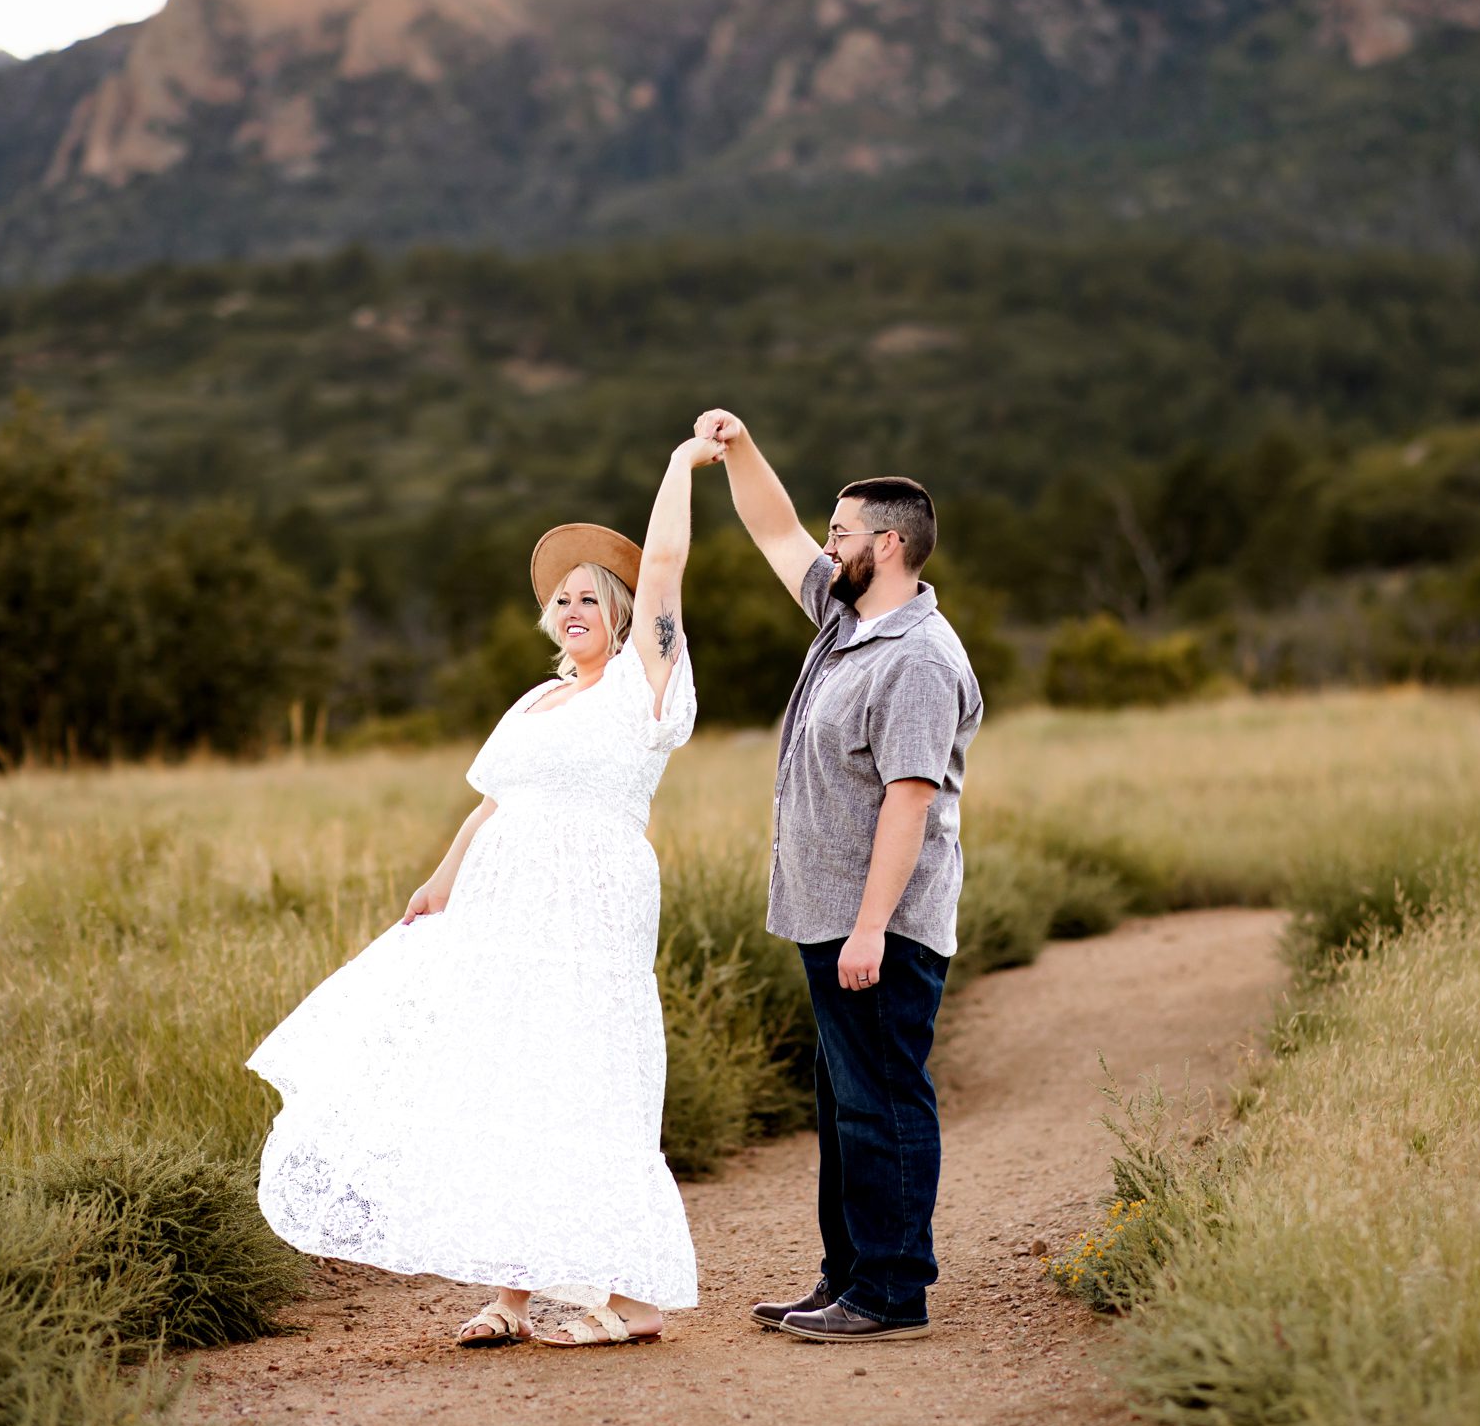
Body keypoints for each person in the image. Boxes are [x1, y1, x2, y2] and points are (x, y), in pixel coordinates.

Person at [246, 435, 727, 1349]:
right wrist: (438, 884)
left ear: (624, 614)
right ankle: (511, 1295)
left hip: (589, 904)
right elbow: (494, 802)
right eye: (562, 599)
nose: (574, 608)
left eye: (593, 596)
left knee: (588, 1078)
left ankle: (634, 1301)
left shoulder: (644, 684)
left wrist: (676, 467)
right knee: (512, 1079)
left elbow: (666, 565)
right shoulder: (532, 702)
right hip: (505, 911)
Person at [695, 406, 983, 1343]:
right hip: (829, 913)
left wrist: (869, 927)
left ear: (889, 544)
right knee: (845, 1099)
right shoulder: (847, 617)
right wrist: (737, 447)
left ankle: (894, 1291)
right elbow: (772, 528)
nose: (827, 544)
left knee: (883, 1098)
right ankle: (847, 1277)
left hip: (880, 923)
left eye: (843, 532)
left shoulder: (919, 658)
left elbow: (909, 802)